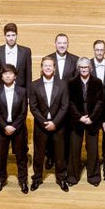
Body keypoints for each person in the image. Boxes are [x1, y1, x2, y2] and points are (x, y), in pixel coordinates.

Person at [28, 56, 72, 192]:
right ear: (41, 68)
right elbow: (33, 107)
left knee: (60, 154)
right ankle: (37, 178)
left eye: (50, 65)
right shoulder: (34, 85)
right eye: (45, 65)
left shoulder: (63, 84)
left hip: (58, 126)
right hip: (41, 126)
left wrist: (55, 122)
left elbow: (65, 106)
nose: (47, 68)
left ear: (54, 68)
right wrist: (44, 122)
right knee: (39, 154)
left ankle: (61, 178)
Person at [0, 65, 29, 192]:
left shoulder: (22, 91)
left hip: (18, 129)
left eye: (10, 73)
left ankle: (23, 181)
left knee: (21, 157)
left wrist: (14, 126)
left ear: (15, 76)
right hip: (2, 128)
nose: (7, 76)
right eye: (5, 74)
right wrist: (5, 126)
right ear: (1, 77)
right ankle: (1, 180)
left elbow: (23, 112)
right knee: (1, 157)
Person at [69, 57, 105, 187]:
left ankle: (94, 176)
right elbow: (70, 103)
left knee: (93, 149)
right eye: (81, 67)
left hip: (92, 120)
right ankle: (73, 175)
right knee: (74, 148)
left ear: (90, 68)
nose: (84, 69)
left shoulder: (97, 82)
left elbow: (100, 102)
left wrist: (92, 118)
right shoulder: (72, 83)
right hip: (76, 120)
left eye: (86, 67)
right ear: (78, 69)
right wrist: (79, 117)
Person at [0, 23, 32, 87]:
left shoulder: (26, 51)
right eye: (8, 35)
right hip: (1, 90)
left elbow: (28, 75)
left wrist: (28, 94)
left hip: (20, 90)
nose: (11, 38)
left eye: (13, 35)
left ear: (17, 35)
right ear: (4, 36)